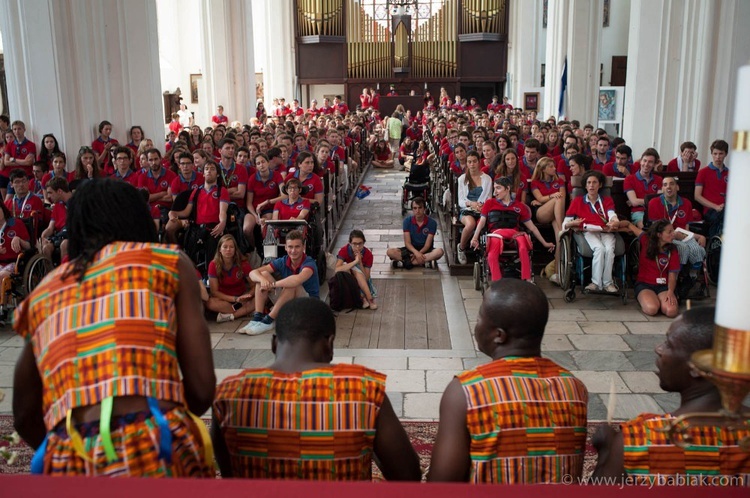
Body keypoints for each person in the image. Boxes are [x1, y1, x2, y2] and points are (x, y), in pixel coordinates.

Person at [12, 179, 216, 477]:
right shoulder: (169, 262)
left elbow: (24, 412)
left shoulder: (44, 290)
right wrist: (160, 421)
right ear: (139, 220)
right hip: (156, 447)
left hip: (71, 458)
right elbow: (201, 388)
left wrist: (70, 446)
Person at [213, 297, 421, 480]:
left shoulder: (229, 393)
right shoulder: (364, 389)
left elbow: (231, 476)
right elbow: (408, 475)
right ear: (329, 344)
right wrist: (369, 440)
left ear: (275, 344)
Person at [428, 279, 588, 483]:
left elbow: (441, 485)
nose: (475, 325)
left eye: (479, 318)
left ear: (499, 335)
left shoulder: (467, 391)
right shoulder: (574, 388)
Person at [593, 306, 750, 484]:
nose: (658, 349)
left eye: (669, 343)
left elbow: (600, 491)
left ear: (699, 367)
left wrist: (606, 451)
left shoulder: (639, 438)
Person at [470, 176, 554, 282]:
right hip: (496, 234)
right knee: (491, 254)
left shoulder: (519, 206)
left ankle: (527, 279)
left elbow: (532, 227)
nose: (495, 192)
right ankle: (497, 282)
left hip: (515, 234)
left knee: (523, 247)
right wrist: (474, 238)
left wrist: (545, 243)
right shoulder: (489, 203)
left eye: (498, 188)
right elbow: (481, 222)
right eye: (494, 188)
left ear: (508, 188)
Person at [239, 230, 320, 336]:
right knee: (262, 276)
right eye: (290, 247)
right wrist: (263, 280)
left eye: (297, 247)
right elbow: (253, 273)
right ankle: (257, 318)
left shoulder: (309, 263)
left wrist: (272, 285)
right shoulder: (283, 260)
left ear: (303, 247)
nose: (293, 250)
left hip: (308, 307)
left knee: (291, 284)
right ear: (285, 247)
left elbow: (297, 280)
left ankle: (269, 320)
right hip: (290, 303)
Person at [563, 170, 622, 293]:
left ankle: (607, 283)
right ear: (585, 185)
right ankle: (595, 283)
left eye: (594, 182)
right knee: (599, 249)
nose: (591, 185)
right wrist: (571, 223)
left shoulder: (606, 200)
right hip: (588, 231)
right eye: (589, 182)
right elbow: (565, 223)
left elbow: (612, 214)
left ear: (600, 185)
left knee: (609, 250)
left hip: (606, 231)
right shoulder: (578, 201)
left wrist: (614, 221)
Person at [647, 176, 706, 287]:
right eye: (665, 185)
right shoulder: (654, 203)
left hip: (682, 234)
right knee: (683, 248)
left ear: (677, 187)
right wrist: (672, 235)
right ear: (662, 189)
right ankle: (678, 277)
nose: (668, 187)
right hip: (664, 237)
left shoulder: (686, 203)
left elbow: (686, 228)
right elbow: (655, 229)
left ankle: (691, 278)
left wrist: (698, 236)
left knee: (698, 249)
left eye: (671, 184)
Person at [627, 220, 680, 317]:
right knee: (652, 309)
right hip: (645, 284)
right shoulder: (645, 239)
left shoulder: (672, 249)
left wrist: (670, 291)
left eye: (673, 231)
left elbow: (672, 275)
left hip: (664, 286)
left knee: (671, 311)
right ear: (659, 235)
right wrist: (616, 224)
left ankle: (660, 300)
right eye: (669, 232)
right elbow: (629, 225)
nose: (673, 234)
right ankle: (650, 299)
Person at [530, 157, 566, 283]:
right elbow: (539, 198)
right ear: (543, 169)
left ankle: (557, 274)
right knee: (557, 199)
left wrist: (546, 199)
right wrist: (551, 196)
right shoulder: (535, 182)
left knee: (559, 239)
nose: (554, 168)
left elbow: (563, 197)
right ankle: (562, 227)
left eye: (554, 166)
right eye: (551, 166)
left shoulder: (560, 181)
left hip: (556, 214)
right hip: (542, 213)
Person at [206, 234, 255, 323]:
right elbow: (214, 292)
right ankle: (244, 311)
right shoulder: (213, 264)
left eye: (231, 247)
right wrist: (235, 299)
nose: (228, 249)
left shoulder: (243, 263)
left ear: (235, 249)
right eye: (225, 247)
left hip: (242, 298)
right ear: (219, 249)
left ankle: (231, 316)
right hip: (225, 300)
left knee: (261, 294)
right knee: (210, 303)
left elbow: (254, 285)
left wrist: (247, 296)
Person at [387, 196, 444, 269]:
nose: (417, 211)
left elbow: (427, 245)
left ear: (424, 209)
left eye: (420, 208)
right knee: (390, 252)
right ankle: (424, 263)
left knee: (439, 252)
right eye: (415, 208)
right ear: (412, 209)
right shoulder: (407, 221)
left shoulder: (432, 223)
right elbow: (407, 243)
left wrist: (419, 253)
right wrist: (416, 253)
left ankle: (406, 263)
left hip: (426, 250)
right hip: (410, 249)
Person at [456, 151, 492, 265]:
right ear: (466, 163)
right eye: (469, 162)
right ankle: (461, 248)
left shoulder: (487, 179)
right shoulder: (462, 179)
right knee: (471, 224)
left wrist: (482, 206)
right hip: (467, 209)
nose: (472, 164)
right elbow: (461, 201)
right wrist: (472, 204)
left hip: (482, 209)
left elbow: (489, 197)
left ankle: (487, 252)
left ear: (479, 162)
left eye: (474, 161)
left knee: (489, 223)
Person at [694, 139, 729, 238]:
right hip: (710, 210)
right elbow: (697, 196)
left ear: (725, 154)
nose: (717, 157)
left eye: (721, 154)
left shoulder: (730, 173)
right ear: (712, 154)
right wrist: (715, 206)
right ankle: (715, 245)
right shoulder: (703, 172)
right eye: (715, 154)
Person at [336, 229, 377, 310]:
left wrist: (360, 262)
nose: (357, 247)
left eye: (360, 244)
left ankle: (364, 297)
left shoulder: (368, 254)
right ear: (350, 243)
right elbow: (337, 269)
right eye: (354, 244)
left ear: (364, 243)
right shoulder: (344, 250)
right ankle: (369, 298)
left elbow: (367, 277)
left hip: (363, 280)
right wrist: (355, 262)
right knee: (350, 267)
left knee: (357, 272)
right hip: (348, 278)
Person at [624, 148, 662, 229]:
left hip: (656, 212)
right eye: (644, 160)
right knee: (647, 228)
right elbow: (634, 202)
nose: (646, 164)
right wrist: (651, 201)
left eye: (650, 162)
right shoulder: (629, 179)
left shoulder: (659, 179)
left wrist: (639, 201)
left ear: (655, 164)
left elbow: (660, 201)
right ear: (640, 161)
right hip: (638, 212)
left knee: (664, 228)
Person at [40, 177, 72, 261]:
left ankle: (63, 273)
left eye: (50, 193)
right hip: (60, 235)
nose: (48, 196)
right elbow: (50, 228)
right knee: (46, 248)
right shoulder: (57, 205)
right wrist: (43, 237)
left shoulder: (78, 202)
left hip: (74, 236)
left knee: (64, 244)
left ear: (59, 191)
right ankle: (50, 272)